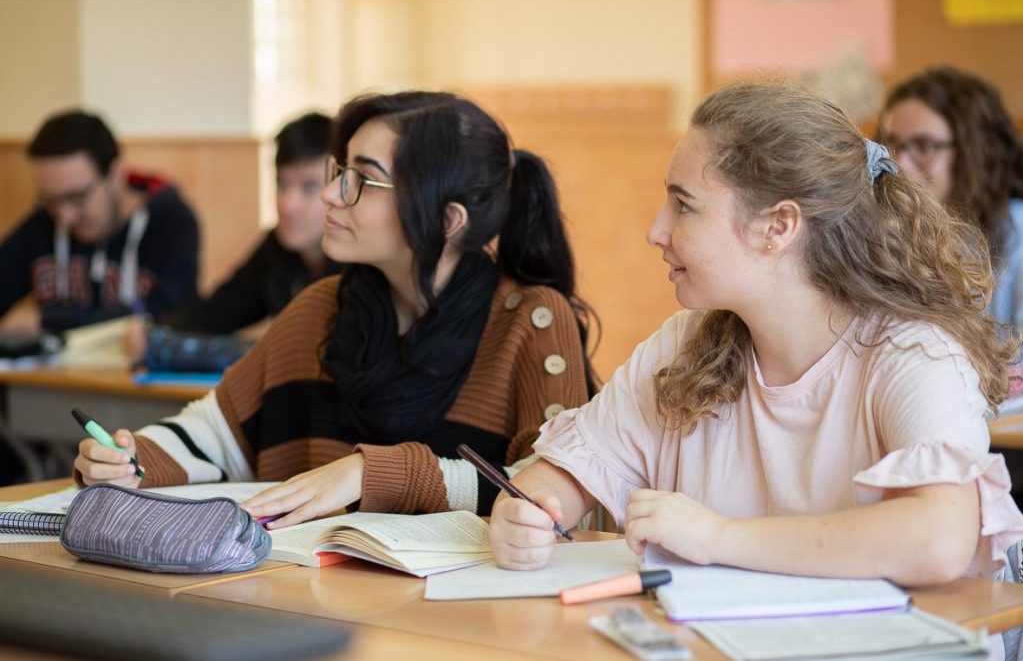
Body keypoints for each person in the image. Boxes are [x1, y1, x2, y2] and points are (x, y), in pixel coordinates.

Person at [489, 83, 1023, 589]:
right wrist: (532, 508)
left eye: (684, 206)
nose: (656, 230)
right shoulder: (683, 344)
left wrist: (717, 537)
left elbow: (937, 539)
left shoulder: (913, 353)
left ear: (778, 227)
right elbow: (571, 472)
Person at [72, 91, 597, 528]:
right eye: (340, 169)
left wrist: (370, 474)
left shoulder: (533, 321)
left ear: (446, 219)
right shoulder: (321, 307)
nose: (328, 194)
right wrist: (131, 459)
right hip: (308, 608)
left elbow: (545, 492)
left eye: (362, 179)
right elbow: (217, 433)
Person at [125, 112, 345, 370]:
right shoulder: (276, 247)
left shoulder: (357, 262)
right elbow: (219, 311)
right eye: (281, 184)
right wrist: (156, 329)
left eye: (309, 188)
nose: (288, 204)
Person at [0, 110, 200, 332]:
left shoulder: (171, 223)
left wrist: (49, 320)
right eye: (49, 200)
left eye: (76, 197)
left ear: (115, 173)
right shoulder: (43, 222)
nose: (65, 216)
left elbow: (174, 319)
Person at [879, 67, 1023, 327]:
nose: (898, 164)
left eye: (924, 146)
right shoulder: (887, 234)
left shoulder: (1018, 233)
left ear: (975, 152)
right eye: (891, 145)